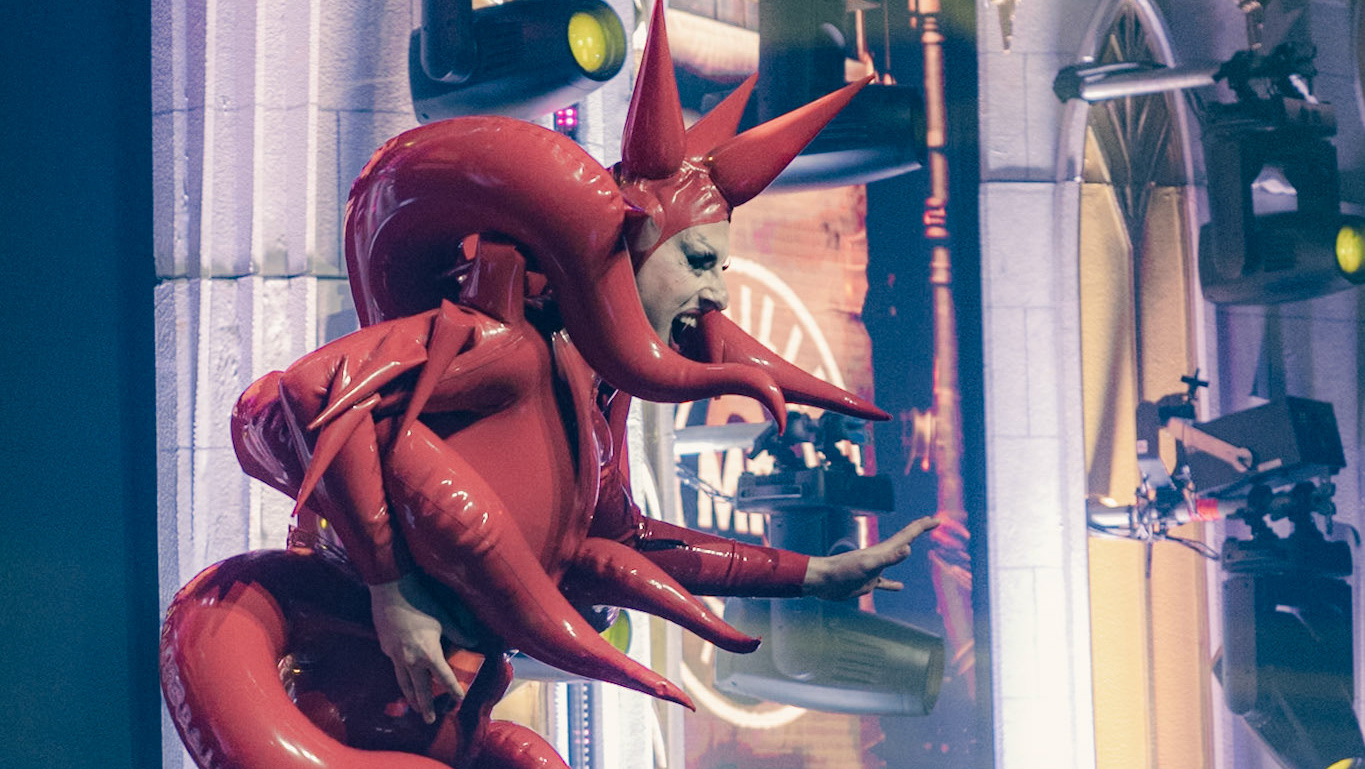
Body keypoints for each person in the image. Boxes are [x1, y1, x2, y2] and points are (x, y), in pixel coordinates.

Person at [164, 4, 936, 767]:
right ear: (631, 247)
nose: (718, 295)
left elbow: (627, 545)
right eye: (700, 263)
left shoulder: (591, 404)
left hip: (454, 720)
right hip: (341, 710)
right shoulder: (503, 346)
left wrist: (810, 573)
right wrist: (390, 588)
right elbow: (305, 393)